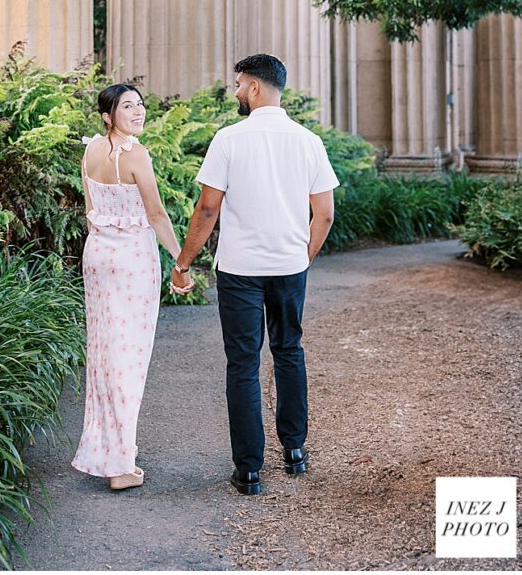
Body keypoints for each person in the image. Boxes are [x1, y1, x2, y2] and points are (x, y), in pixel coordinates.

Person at [171, 54, 338, 495]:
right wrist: (303, 257)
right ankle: (295, 451)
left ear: (257, 88)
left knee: (243, 364)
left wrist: (183, 263)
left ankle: (248, 470)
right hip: (289, 267)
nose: (237, 92)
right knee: (289, 351)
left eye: (240, 84)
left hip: (240, 270)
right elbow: (323, 215)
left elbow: (208, 208)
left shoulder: (228, 139)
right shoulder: (308, 141)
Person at [71, 84, 192, 491]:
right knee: (129, 359)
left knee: (104, 354)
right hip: (132, 260)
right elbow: (157, 214)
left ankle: (105, 451)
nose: (137, 111)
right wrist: (182, 261)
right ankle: (121, 465)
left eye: (140, 104)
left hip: (98, 256)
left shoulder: (89, 151)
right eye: (128, 106)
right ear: (108, 115)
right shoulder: (136, 155)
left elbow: (90, 213)